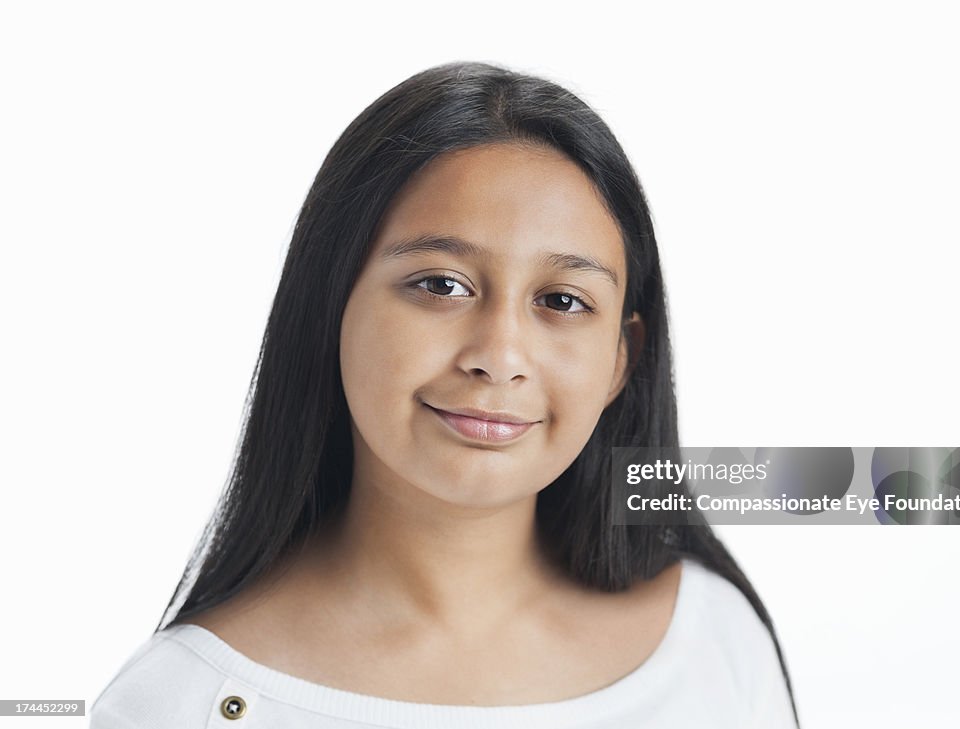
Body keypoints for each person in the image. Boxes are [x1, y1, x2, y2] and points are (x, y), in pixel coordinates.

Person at [91, 61, 800, 728]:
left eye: (560, 299)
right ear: (331, 304)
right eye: (440, 284)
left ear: (622, 359)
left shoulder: (713, 643)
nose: (498, 357)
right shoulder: (176, 700)